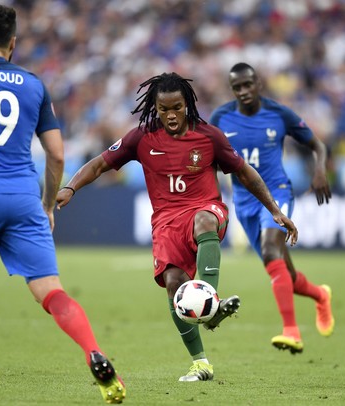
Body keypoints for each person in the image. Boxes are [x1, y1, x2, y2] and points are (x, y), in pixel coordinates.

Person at [0, 5, 125, 404]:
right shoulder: (33, 84)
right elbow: (56, 154)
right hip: (24, 198)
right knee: (52, 292)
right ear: (14, 43)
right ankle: (93, 351)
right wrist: (47, 205)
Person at [56, 72, 298, 381]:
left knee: (204, 219)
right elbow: (101, 163)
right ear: (155, 107)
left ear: (188, 104)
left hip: (206, 210)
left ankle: (211, 300)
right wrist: (71, 187)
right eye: (164, 108)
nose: (171, 115)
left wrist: (274, 210)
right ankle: (200, 363)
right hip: (167, 223)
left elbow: (245, 172)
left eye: (177, 107)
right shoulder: (141, 138)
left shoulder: (209, 137)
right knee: (173, 283)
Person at [209, 62, 335, 354]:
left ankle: (291, 331)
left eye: (248, 85)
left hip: (277, 192)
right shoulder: (221, 117)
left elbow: (317, 144)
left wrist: (319, 171)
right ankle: (320, 295)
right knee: (283, 272)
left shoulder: (279, 114)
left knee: (270, 251)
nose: (243, 91)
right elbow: (209, 159)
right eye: (237, 87)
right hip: (243, 201)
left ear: (258, 84)